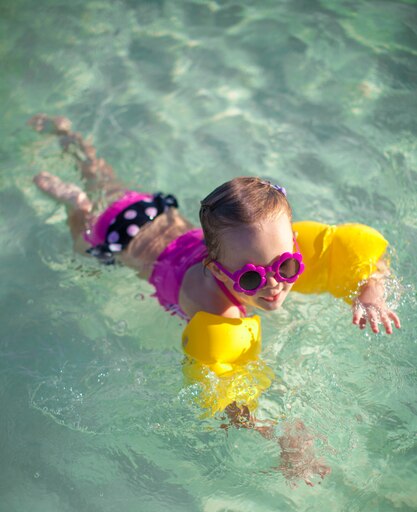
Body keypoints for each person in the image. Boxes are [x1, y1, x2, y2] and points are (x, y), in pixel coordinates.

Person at [28, 114, 401, 485]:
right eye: (252, 276)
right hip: (117, 238)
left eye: (286, 266)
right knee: (83, 245)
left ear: (294, 243)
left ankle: (69, 135)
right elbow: (225, 399)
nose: (273, 285)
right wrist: (278, 434)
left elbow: (357, 253)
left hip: (149, 211)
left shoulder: (260, 249)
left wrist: (372, 291)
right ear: (218, 272)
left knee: (100, 174)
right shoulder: (214, 309)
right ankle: (74, 204)